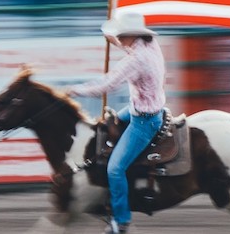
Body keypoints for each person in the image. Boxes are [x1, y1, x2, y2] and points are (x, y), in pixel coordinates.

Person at [65, 12, 167, 234]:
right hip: (143, 108)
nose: (118, 40)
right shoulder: (149, 45)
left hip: (144, 121)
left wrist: (75, 90)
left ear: (129, 35)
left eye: (120, 36)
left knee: (115, 169)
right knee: (106, 128)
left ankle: (121, 221)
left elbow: (106, 85)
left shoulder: (135, 61)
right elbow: (129, 49)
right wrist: (112, 38)